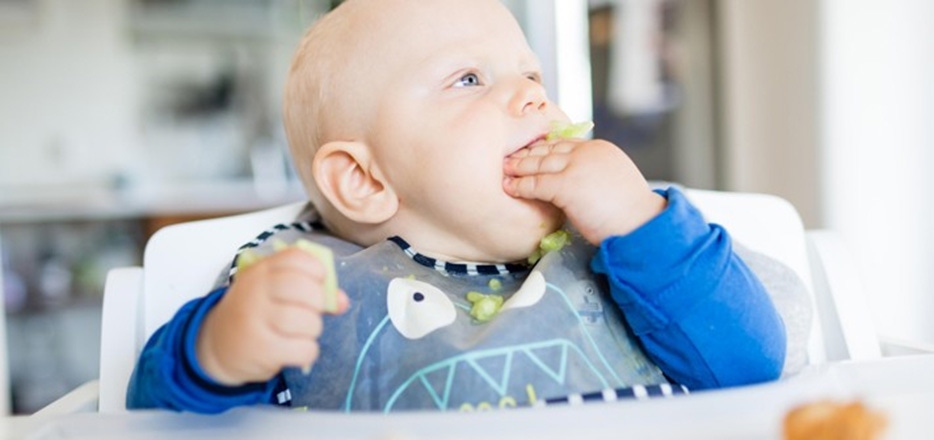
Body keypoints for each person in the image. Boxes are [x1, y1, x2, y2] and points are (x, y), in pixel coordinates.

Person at [126, 0, 811, 414]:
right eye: (469, 78)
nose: (533, 97)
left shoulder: (632, 247)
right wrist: (216, 352)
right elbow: (150, 420)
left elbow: (751, 367)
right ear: (364, 179)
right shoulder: (311, 292)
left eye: (532, 74)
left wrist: (639, 219)